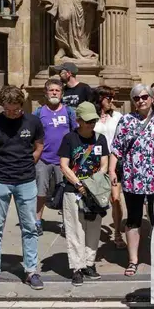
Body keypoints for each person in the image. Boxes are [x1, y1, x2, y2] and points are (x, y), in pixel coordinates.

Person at [0, 85, 45, 293]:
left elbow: (39, 146)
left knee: (30, 227)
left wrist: (28, 163)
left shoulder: (33, 122)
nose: (11, 113)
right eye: (7, 110)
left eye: (15, 110)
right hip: (0, 181)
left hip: (26, 181)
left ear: (21, 105)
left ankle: (31, 271)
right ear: (2, 106)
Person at [110, 84, 154, 276]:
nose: (141, 101)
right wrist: (112, 170)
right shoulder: (126, 120)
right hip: (133, 176)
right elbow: (116, 147)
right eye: (136, 98)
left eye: (144, 96)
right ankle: (133, 260)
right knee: (133, 218)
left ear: (152, 98)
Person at [58, 102, 109, 286]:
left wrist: (93, 184)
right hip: (74, 190)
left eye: (93, 120)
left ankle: (89, 263)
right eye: (87, 121)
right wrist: (79, 184)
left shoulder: (100, 139)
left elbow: (104, 164)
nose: (91, 124)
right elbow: (64, 165)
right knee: (75, 229)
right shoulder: (69, 139)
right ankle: (77, 267)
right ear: (78, 120)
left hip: (94, 191)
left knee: (94, 228)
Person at [33, 78, 77, 236]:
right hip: (43, 159)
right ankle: (37, 222)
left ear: (62, 94)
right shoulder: (38, 113)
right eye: (51, 90)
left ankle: (66, 223)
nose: (54, 93)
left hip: (63, 161)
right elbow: (32, 135)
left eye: (57, 90)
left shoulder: (69, 112)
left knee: (65, 193)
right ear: (45, 93)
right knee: (40, 193)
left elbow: (75, 133)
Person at [93, 85, 126, 249]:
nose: (112, 101)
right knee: (96, 199)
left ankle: (117, 233)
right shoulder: (92, 117)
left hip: (114, 161)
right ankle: (92, 232)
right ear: (100, 99)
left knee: (115, 198)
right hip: (96, 162)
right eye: (109, 98)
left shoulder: (118, 116)